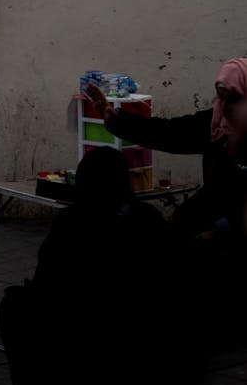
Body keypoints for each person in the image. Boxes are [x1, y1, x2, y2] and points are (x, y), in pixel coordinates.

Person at [0, 147, 203, 385]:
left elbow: (48, 284)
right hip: (149, 354)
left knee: (14, 305)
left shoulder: (72, 223)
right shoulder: (147, 217)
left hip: (95, 353)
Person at [85, 59, 247, 347]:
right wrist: (113, 118)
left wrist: (222, 229)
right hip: (211, 206)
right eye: (220, 95)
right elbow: (170, 132)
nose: (224, 104)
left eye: (232, 97)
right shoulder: (215, 123)